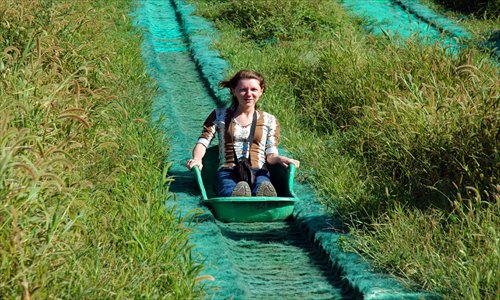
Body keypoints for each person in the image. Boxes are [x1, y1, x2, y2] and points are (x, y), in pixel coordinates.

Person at [186, 70, 300, 197]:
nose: (249, 94)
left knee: (263, 183)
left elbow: (271, 154)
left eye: (254, 89)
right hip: (227, 170)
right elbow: (203, 142)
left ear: (261, 91)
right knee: (227, 185)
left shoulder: (269, 120)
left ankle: (263, 195)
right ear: (234, 91)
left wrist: (281, 159)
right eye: (243, 90)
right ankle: (236, 195)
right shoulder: (219, 115)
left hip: (258, 170)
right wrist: (197, 159)